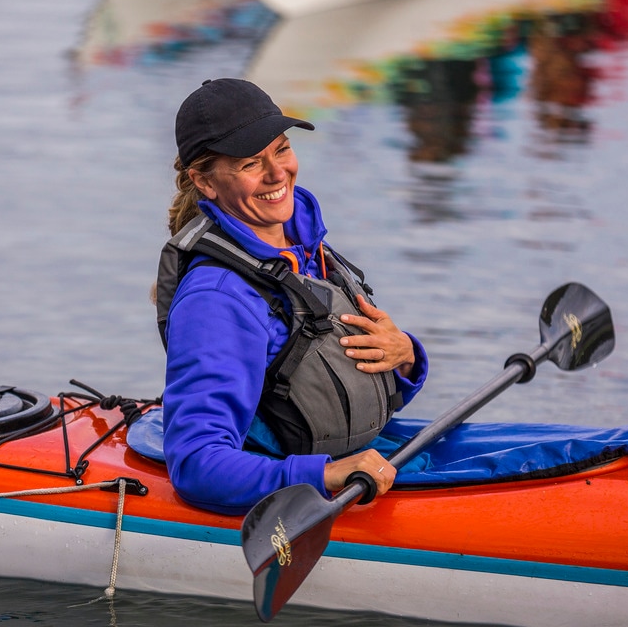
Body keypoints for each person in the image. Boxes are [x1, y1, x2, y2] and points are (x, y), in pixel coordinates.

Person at [154, 78, 429, 515]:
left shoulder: (304, 250)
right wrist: (322, 476)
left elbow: (326, 399)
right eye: (250, 163)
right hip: (298, 481)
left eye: (281, 149)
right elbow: (195, 465)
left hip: (363, 458)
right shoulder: (217, 298)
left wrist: (405, 357)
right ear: (204, 181)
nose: (277, 173)